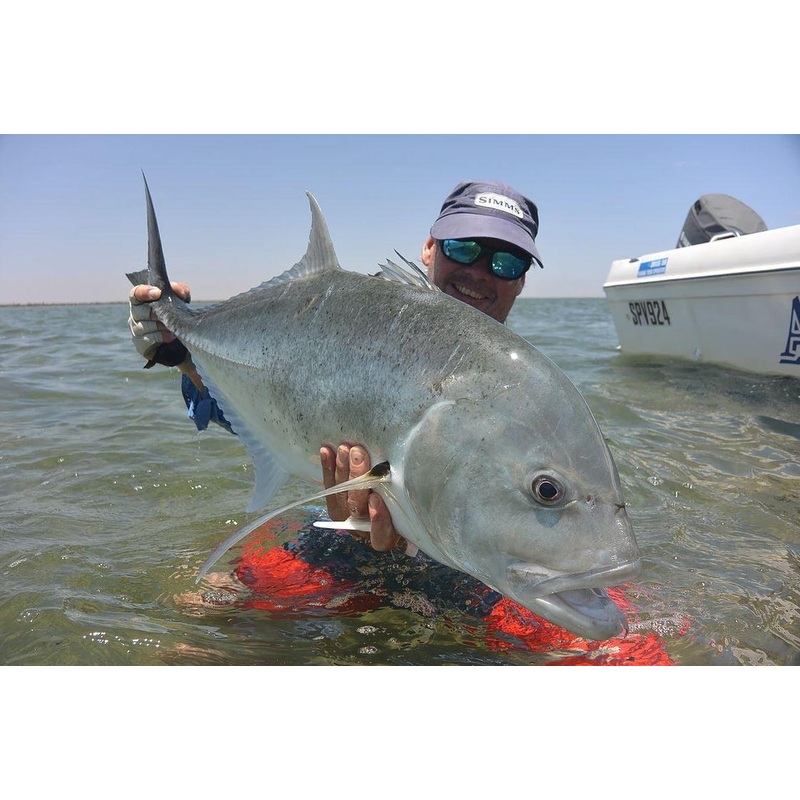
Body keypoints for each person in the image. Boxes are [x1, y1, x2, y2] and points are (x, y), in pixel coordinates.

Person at [129, 180, 679, 664]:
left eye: (507, 262)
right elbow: (275, 413)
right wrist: (181, 349)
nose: (480, 272)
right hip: (342, 546)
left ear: (521, 282)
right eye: (463, 248)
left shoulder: (524, 392)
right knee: (198, 630)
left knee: (633, 658)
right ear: (429, 248)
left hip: (467, 571)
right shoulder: (349, 322)